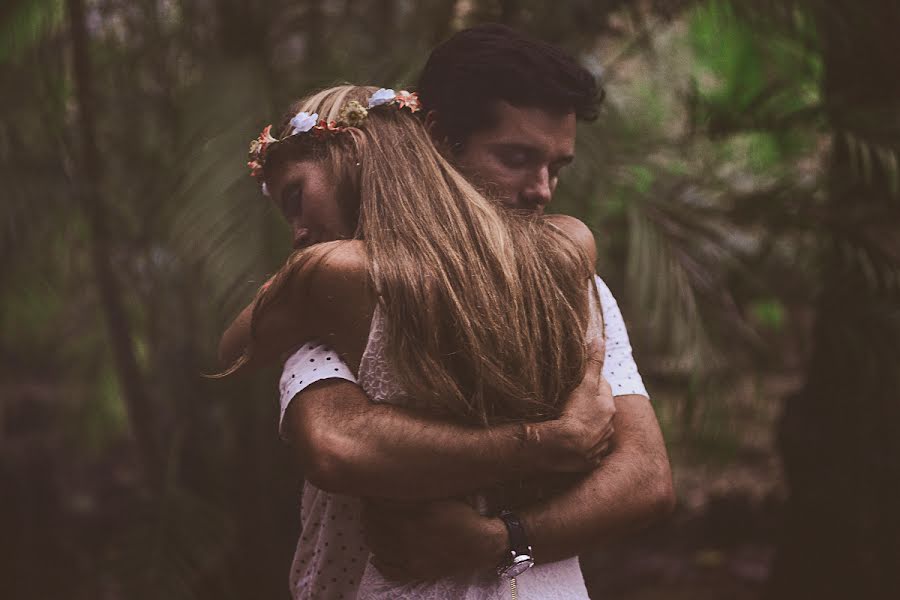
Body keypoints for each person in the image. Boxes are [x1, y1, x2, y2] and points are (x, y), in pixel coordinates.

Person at [221, 25, 673, 600]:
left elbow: (646, 480)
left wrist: (495, 540)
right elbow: (340, 445)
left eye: (557, 168)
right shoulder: (335, 288)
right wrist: (545, 443)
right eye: (515, 158)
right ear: (437, 140)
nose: (542, 190)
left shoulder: (570, 274)